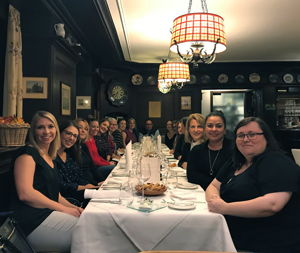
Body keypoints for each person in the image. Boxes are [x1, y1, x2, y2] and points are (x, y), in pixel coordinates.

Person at [205, 117, 300, 252]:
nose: (245, 139)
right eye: (241, 135)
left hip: (267, 245)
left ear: (266, 137)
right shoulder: (236, 162)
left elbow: (272, 205)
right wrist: (215, 199)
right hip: (233, 238)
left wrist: (224, 207)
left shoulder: (276, 163)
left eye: (252, 134)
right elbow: (213, 186)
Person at [10, 111, 83, 252]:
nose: (46, 131)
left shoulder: (49, 157)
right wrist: (64, 209)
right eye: (40, 127)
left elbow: (56, 195)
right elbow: (25, 193)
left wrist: (75, 209)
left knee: (89, 222)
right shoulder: (27, 154)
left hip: (47, 213)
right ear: (33, 131)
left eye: (50, 126)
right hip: (30, 221)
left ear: (56, 129)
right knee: (87, 230)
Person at [56, 121, 100, 206]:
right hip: (66, 197)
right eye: (68, 134)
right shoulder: (52, 156)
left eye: (75, 136)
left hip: (78, 191)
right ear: (59, 132)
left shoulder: (69, 154)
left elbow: (77, 177)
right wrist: (86, 187)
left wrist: (93, 185)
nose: (72, 138)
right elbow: (61, 185)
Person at [187, 111, 232, 190]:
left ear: (224, 130)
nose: (214, 129)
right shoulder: (196, 150)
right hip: (200, 194)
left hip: (227, 195)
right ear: (205, 129)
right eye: (210, 126)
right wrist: (215, 184)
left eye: (218, 126)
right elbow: (191, 176)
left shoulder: (235, 150)